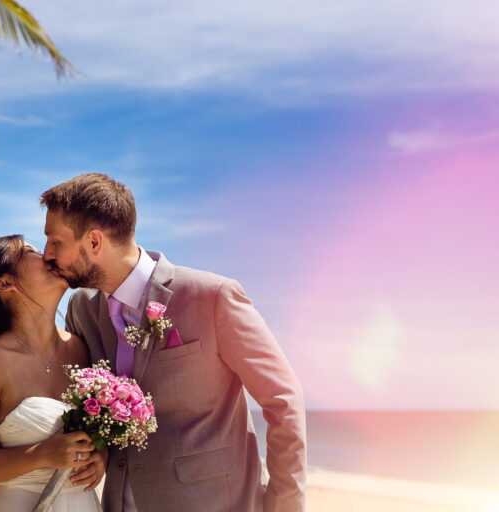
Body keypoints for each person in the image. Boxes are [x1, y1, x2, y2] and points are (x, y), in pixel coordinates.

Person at [41, 174, 307, 512]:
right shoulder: (82, 310)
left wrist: (283, 506)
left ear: (94, 242)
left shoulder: (213, 297)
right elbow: (90, 408)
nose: (46, 253)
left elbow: (283, 399)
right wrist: (99, 450)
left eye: (55, 241)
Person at [0, 234, 107, 511]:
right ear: (5, 282)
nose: (47, 255)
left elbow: (99, 427)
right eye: (29, 252)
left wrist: (100, 454)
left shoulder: (81, 348)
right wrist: (41, 455)